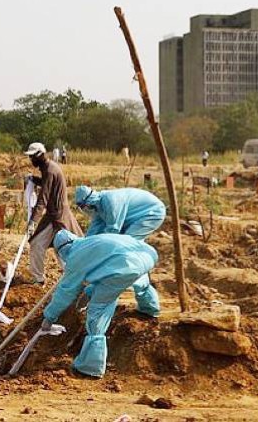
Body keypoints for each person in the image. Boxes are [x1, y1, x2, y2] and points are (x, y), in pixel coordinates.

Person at [40, 230, 160, 377]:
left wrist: (49, 317)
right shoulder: (91, 241)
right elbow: (104, 267)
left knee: (98, 310)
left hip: (124, 268)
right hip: (146, 255)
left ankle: (91, 367)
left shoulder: (75, 256)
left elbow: (66, 291)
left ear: (61, 250)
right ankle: (150, 308)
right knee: (139, 279)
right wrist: (89, 292)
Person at [24, 142, 83, 284]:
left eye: (32, 157)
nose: (31, 160)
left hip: (57, 216)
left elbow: (43, 199)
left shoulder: (50, 170)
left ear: (40, 155)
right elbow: (47, 184)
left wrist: (33, 221)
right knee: (62, 247)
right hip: (56, 214)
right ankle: (74, 280)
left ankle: (40, 279)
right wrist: (33, 179)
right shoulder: (48, 168)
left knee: (45, 245)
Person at [75, 185, 165, 240]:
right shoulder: (99, 207)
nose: (84, 210)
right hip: (135, 216)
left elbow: (113, 231)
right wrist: (85, 243)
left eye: (83, 207)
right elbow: (94, 229)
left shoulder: (110, 202)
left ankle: (136, 269)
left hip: (152, 211)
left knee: (128, 241)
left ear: (88, 203)